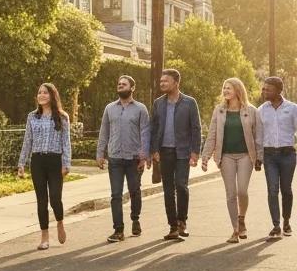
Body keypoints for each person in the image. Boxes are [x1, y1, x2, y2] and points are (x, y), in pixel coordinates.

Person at [201, 77, 262, 243]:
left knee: (242, 190)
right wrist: (205, 156)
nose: (225, 91)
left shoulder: (251, 111)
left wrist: (259, 157)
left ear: (237, 90)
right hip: (226, 155)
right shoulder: (219, 111)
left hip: (245, 156)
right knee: (230, 193)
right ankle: (235, 229)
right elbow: (212, 134)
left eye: (229, 88)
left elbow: (258, 136)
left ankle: (242, 218)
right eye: (224, 88)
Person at [150, 68, 203, 242]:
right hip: (164, 151)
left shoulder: (189, 102)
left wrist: (195, 151)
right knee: (167, 189)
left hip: (182, 151)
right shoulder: (158, 103)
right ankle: (172, 226)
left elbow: (196, 128)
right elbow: (154, 128)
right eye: (161, 81)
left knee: (181, 185)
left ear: (176, 83)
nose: (162, 83)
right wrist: (154, 150)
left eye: (166, 81)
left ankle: (182, 222)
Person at [17, 83, 71, 250]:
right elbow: (28, 140)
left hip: (55, 161)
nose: (41, 95)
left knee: (55, 197)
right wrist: (21, 163)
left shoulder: (62, 117)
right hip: (37, 161)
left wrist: (66, 163)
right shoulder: (32, 117)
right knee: (42, 200)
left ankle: (60, 222)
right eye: (39, 92)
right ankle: (44, 236)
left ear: (52, 96)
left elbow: (66, 142)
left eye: (45, 93)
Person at [97, 74, 150, 242]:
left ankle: (135, 219)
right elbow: (104, 132)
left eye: (124, 84)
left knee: (134, 191)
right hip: (115, 158)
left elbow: (145, 133)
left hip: (134, 158)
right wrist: (100, 153)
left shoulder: (141, 109)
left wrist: (143, 156)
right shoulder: (109, 108)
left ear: (132, 88)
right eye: (119, 84)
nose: (120, 86)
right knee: (116, 194)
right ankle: (118, 230)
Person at [258, 76, 297, 239]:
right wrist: (258, 157)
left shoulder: (292, 108)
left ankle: (286, 221)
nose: (264, 91)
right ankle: (276, 225)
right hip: (269, 156)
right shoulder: (261, 110)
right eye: (264, 88)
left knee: (286, 190)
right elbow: (258, 136)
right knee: (272, 190)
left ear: (278, 91)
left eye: (268, 89)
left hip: (288, 154)